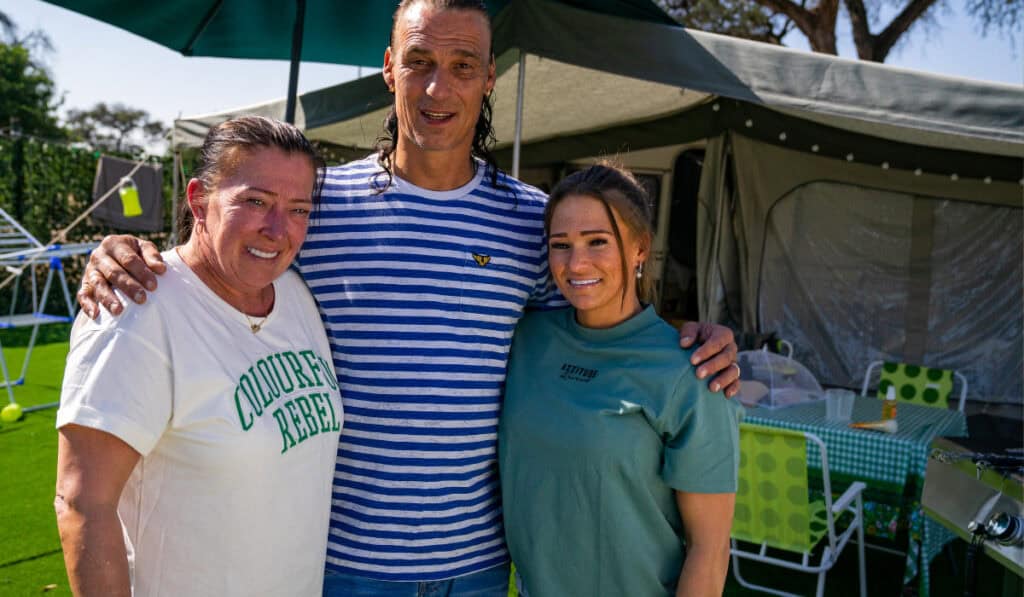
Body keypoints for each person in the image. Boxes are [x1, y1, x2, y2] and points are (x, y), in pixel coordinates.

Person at [74, 1, 741, 594]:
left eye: (461, 65)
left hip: (479, 562)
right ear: (389, 68)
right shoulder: (317, 207)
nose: (437, 86)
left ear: (488, 80)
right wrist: (118, 255)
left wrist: (692, 338)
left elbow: (596, 318)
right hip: (342, 562)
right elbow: (217, 258)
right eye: (419, 61)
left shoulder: (533, 223)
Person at [55, 116, 343, 597]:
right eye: (255, 201)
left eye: (298, 210)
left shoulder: (294, 294)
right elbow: (82, 503)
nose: (277, 229)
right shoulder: (136, 308)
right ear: (199, 200)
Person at [500, 164, 741, 597]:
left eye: (597, 242)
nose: (577, 263)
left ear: (640, 249)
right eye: (561, 245)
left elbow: (710, 550)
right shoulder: (525, 338)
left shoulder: (692, 371)